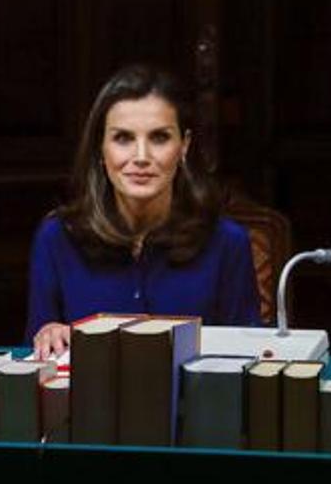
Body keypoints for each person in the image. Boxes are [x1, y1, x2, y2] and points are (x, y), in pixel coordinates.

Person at [27, 64, 259, 359]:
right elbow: (34, 361)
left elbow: (248, 362)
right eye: (123, 138)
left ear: (184, 146)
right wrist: (48, 336)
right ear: (101, 148)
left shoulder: (228, 242)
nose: (141, 157)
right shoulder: (57, 237)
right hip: (88, 403)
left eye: (159, 138)